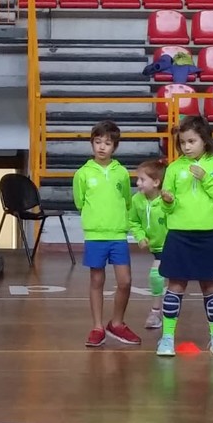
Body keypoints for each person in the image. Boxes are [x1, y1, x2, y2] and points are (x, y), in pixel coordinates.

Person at [157, 116, 213, 357]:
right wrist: (167, 201)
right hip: (179, 235)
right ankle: (167, 338)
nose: (186, 147)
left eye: (192, 141)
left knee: (211, 287)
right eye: (182, 142)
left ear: (205, 140)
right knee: (175, 286)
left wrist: (206, 178)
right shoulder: (174, 168)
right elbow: (167, 207)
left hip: (208, 235)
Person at [73, 120, 141, 348]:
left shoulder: (121, 173)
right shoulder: (82, 173)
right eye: (98, 142)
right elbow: (80, 202)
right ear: (92, 143)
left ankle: (117, 323)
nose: (102, 147)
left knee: (125, 281)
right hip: (95, 235)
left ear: (115, 147)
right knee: (96, 280)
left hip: (118, 234)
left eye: (108, 143)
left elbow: (127, 200)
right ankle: (97, 327)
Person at [129, 159, 170, 330]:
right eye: (137, 179)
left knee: (173, 280)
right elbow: (133, 221)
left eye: (142, 179)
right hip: (157, 248)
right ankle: (156, 312)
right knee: (156, 276)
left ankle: (167, 312)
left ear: (156, 182)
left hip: (173, 246)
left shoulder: (167, 200)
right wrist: (140, 237)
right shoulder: (136, 200)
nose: (138, 183)